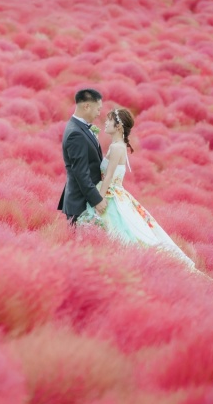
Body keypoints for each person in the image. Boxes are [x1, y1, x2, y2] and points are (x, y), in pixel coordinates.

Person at [76, 107, 198, 271]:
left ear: (118, 126)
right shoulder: (119, 146)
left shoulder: (117, 148)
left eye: (109, 120)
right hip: (116, 193)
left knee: (117, 233)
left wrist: (99, 200)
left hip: (109, 195)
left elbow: (109, 176)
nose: (105, 123)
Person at [58, 89, 107, 224]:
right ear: (87, 106)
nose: (99, 113)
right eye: (98, 109)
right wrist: (97, 200)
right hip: (80, 203)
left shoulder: (79, 127)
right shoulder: (76, 133)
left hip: (82, 201)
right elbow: (80, 172)